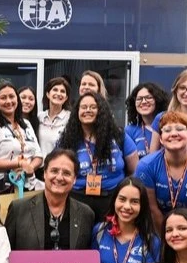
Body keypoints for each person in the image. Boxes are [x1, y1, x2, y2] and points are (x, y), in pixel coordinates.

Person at [57, 92, 140, 220]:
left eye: (93, 107)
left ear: (101, 111)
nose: (88, 110)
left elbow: (134, 170)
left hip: (112, 199)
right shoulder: (67, 139)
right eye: (83, 107)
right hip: (77, 199)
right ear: (76, 112)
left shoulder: (118, 136)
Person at [135, 111, 187, 229]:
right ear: (160, 138)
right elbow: (152, 210)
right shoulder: (146, 166)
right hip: (154, 227)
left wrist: (180, 235)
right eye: (167, 130)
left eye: (180, 129)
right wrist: (166, 237)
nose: (173, 134)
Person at [0, 83, 43, 193]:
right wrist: (19, 164)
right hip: (4, 186)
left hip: (29, 183)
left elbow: (38, 156)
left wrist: (28, 169)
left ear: (17, 99)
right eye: (3, 98)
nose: (8, 101)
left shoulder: (26, 124)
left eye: (12, 96)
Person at [124, 82, 168, 162]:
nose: (144, 102)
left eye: (148, 97)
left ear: (158, 100)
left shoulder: (169, 127)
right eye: (139, 99)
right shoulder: (129, 131)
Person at [37, 77, 71, 156]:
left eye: (62, 91)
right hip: (40, 166)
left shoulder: (70, 118)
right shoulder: (39, 117)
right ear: (48, 94)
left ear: (66, 98)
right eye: (55, 90)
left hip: (60, 166)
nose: (59, 94)